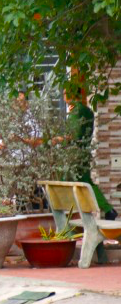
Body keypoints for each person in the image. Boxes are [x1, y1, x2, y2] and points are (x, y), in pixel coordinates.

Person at [62, 92, 118, 220]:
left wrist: (60, 140)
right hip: (83, 152)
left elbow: (73, 135)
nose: (63, 96)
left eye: (65, 93)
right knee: (87, 182)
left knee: (68, 182)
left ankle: (76, 217)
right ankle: (108, 210)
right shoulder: (87, 110)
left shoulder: (77, 111)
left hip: (75, 154)